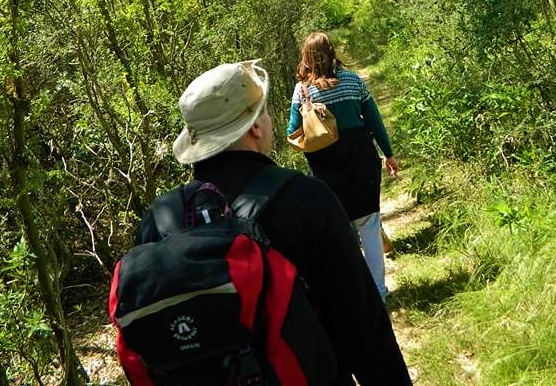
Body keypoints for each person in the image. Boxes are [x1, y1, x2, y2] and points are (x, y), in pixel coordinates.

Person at [156, 59, 412, 386]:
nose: (269, 119)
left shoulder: (161, 221)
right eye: (263, 111)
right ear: (254, 128)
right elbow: (363, 328)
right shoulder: (305, 200)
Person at [286, 33, 399, 302]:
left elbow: (293, 132)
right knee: (369, 225)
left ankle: (355, 295)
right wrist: (389, 154)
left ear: (306, 58)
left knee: (341, 232)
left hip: (325, 170)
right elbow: (374, 120)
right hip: (361, 161)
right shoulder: (352, 80)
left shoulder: (302, 92)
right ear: (332, 51)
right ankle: (379, 293)